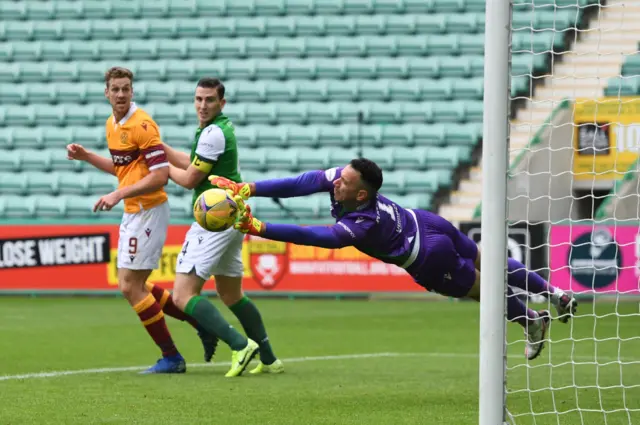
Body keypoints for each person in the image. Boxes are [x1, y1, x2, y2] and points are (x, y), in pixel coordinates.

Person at [210, 158, 578, 360]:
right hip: (427, 221)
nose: (336, 182)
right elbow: (303, 182)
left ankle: (532, 320)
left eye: (344, 182)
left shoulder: (363, 223)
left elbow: (316, 236)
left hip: (427, 255)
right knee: (490, 261)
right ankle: (556, 294)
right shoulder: (350, 185)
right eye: (339, 177)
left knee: (483, 290)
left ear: (362, 193)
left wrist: (259, 226)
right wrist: (250, 189)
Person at [66, 66, 215, 374]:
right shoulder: (112, 123)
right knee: (135, 284)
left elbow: (160, 177)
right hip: (134, 211)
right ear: (106, 93)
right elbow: (123, 170)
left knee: (130, 286)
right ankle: (198, 322)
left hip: (149, 209)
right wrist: (87, 157)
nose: (121, 94)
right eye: (115, 89)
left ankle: (172, 356)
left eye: (125, 89)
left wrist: (118, 195)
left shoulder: (143, 125)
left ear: (132, 92)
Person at [162, 77, 282, 377]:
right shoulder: (214, 130)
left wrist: (160, 168)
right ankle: (268, 359)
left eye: (210, 100)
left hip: (214, 219)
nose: (203, 105)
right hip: (231, 214)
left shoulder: (213, 132)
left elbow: (189, 178)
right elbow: (192, 164)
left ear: (222, 103)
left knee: (182, 296)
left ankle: (240, 345)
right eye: (199, 99)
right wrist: (161, 149)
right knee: (231, 294)